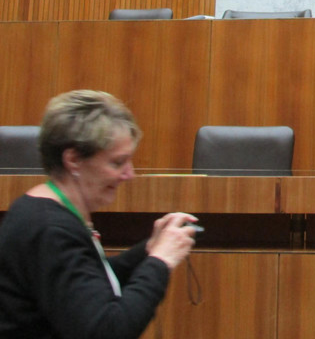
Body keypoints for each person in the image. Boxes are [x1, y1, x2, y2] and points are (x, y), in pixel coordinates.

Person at [0, 90, 198, 339]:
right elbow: (107, 329)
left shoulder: (42, 213)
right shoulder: (50, 229)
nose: (129, 175)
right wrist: (161, 261)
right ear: (73, 160)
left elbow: (86, 285)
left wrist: (148, 251)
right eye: (117, 163)